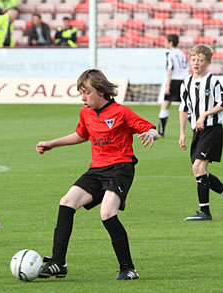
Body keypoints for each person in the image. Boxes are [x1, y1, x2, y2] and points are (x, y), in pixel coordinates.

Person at [36, 69, 158, 280]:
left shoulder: (122, 112)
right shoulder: (86, 113)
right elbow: (81, 135)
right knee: (67, 202)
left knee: (107, 212)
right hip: (97, 169)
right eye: (80, 92)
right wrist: (52, 144)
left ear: (101, 91)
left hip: (120, 168)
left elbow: (151, 128)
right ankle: (58, 262)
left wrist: (150, 134)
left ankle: (128, 268)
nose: (83, 98)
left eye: (87, 92)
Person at [179, 45, 223, 221]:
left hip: (212, 129)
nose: (196, 63)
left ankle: (205, 212)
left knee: (198, 167)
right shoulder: (187, 82)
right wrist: (182, 133)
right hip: (197, 131)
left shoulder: (213, 81)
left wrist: (205, 114)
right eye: (193, 59)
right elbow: (183, 108)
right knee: (202, 172)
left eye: (200, 60)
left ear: (208, 63)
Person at [157, 34, 190, 137]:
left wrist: (167, 85)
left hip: (175, 81)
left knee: (165, 104)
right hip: (184, 81)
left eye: (165, 41)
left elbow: (170, 69)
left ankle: (161, 131)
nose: (164, 43)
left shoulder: (170, 54)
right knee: (187, 106)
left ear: (170, 42)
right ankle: (196, 129)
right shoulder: (182, 54)